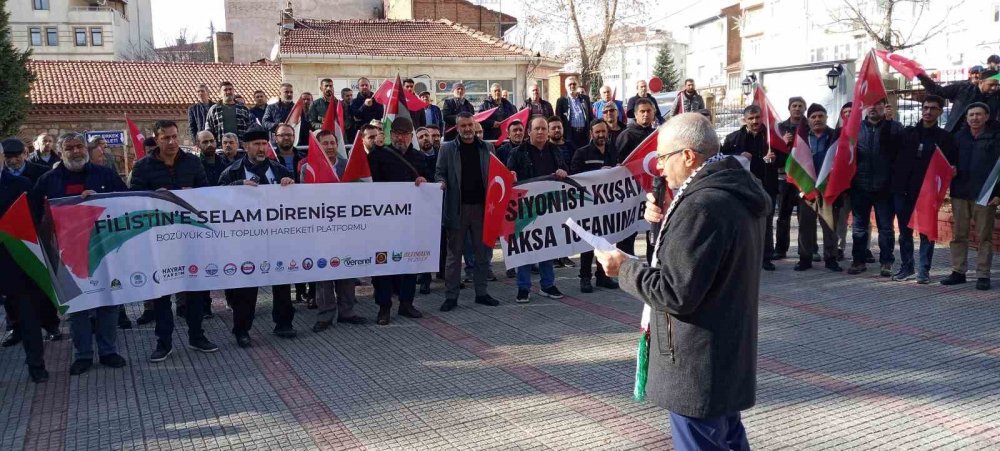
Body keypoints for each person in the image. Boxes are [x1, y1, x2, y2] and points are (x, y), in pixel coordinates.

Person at [594, 113, 764, 451]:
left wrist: (623, 268)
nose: (657, 167)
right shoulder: (734, 190)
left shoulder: (702, 205)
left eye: (662, 157)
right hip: (725, 352)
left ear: (688, 156)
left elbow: (674, 290)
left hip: (697, 359)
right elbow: (694, 263)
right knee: (730, 439)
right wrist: (662, 221)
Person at [32, 132, 129, 376]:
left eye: (78, 147)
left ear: (85, 149)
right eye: (70, 148)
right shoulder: (48, 180)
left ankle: (108, 351)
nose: (75, 151)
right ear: (61, 152)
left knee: (108, 302)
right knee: (78, 307)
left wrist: (101, 200)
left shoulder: (105, 175)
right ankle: (83, 355)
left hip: (103, 248)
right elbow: (34, 215)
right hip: (65, 254)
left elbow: (125, 202)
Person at [128, 120, 219, 361]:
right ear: (156, 139)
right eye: (166, 138)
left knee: (195, 290)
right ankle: (164, 342)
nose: (172, 142)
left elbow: (206, 194)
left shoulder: (192, 162)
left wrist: (194, 194)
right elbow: (134, 200)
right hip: (159, 240)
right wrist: (152, 197)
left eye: (175, 137)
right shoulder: (143, 167)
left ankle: (197, 335)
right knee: (161, 293)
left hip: (190, 238)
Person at [218, 126, 299, 346]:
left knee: (282, 280)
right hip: (245, 240)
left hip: (277, 237)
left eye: (264, 143)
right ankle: (242, 329)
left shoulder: (279, 170)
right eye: (256, 144)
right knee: (246, 286)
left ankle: (284, 323)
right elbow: (216, 199)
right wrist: (237, 186)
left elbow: (296, 202)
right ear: (245, 147)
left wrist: (291, 186)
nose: (261, 148)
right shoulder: (232, 172)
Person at [299, 130, 368, 331]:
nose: (330, 146)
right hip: (321, 228)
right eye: (325, 143)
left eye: (332, 142)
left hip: (346, 229)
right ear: (318, 146)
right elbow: (305, 197)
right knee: (324, 273)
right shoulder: (307, 168)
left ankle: (347, 312)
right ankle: (325, 314)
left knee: (347, 269)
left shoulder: (347, 166)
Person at [884, 95, 958, 283]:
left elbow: (950, 164)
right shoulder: (907, 133)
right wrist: (887, 122)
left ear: (940, 111)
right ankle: (907, 267)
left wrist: (952, 168)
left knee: (926, 231)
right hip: (902, 189)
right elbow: (889, 149)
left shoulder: (945, 138)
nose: (928, 112)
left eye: (933, 108)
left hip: (927, 191)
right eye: (925, 108)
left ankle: (924, 270)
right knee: (904, 231)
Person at [366, 117, 429, 324]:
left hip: (411, 222)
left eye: (405, 134)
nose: (400, 138)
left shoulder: (421, 158)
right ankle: (384, 307)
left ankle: (406, 303)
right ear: (390, 134)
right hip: (384, 222)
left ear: (411, 136)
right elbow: (368, 185)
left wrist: (425, 182)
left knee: (409, 262)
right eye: (397, 134)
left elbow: (432, 186)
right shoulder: (378, 156)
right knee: (383, 264)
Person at [436, 112, 500, 312]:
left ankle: (481, 293)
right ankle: (451, 296)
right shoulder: (447, 149)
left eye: (469, 125)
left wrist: (508, 175)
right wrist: (441, 182)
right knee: (454, 257)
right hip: (456, 209)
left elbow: (497, 174)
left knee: (483, 254)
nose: (467, 129)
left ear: (475, 125)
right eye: (462, 125)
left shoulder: (487, 148)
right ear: (457, 128)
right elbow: (439, 172)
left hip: (483, 209)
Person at [0, 141, 53, 383]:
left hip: (16, 261)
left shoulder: (21, 185)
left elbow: (35, 221)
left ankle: (36, 365)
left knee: (28, 315)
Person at [505, 116, 568, 303]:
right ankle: (523, 287)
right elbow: (508, 174)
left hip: (549, 206)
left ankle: (547, 284)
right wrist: (511, 175)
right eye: (537, 129)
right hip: (525, 207)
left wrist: (563, 172)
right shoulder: (517, 152)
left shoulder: (555, 151)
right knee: (525, 246)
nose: (540, 132)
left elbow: (565, 170)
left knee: (547, 245)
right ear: (529, 132)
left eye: (543, 128)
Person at [941, 103, 1000, 290]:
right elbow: (947, 161)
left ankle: (983, 274)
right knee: (959, 234)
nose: (975, 118)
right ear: (966, 118)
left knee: (984, 236)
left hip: (985, 194)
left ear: (987, 116)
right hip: (960, 193)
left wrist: (998, 194)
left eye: (978, 114)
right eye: (971, 115)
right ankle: (958, 271)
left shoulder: (996, 138)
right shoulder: (958, 138)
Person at [845, 99, 901, 277]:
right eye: (870, 104)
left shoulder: (895, 128)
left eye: (878, 104)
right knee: (859, 227)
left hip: (885, 187)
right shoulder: (855, 128)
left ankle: (886, 261)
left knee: (885, 227)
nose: (873, 107)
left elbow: (901, 155)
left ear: (885, 107)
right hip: (860, 185)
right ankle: (858, 260)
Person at [722, 105, 779, 271]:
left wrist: (774, 158)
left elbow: (784, 159)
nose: (755, 121)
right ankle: (742, 257)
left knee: (766, 222)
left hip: (766, 185)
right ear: (744, 120)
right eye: (751, 118)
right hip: (743, 187)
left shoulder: (771, 138)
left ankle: (766, 257)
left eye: (757, 118)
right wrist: (739, 157)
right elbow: (723, 160)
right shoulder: (733, 138)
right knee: (743, 223)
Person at [571, 120, 620, 292]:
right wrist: (599, 173)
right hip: (588, 206)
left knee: (607, 242)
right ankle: (585, 277)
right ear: (591, 133)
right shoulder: (582, 153)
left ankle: (603, 276)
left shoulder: (613, 151)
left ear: (608, 133)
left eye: (603, 132)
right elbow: (575, 177)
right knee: (588, 244)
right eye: (597, 132)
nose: (601, 135)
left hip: (608, 205)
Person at [794, 104, 842, 272]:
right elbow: (794, 161)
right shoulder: (802, 137)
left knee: (830, 227)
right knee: (805, 226)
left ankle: (831, 259)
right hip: (807, 188)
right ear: (808, 120)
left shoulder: (835, 136)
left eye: (820, 116)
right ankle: (804, 259)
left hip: (827, 188)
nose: (817, 119)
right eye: (813, 117)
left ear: (826, 118)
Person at [615, 98, 658, 256]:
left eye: (649, 111)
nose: (646, 114)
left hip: (652, 191)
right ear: (635, 114)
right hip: (631, 193)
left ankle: (653, 269)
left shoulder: (657, 135)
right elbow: (618, 164)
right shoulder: (626, 135)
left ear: (654, 113)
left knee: (653, 232)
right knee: (628, 233)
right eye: (642, 111)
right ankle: (626, 271)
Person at [918, 68, 1000, 133]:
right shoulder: (962, 88)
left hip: (984, 139)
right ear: (981, 82)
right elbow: (937, 91)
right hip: (955, 134)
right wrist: (921, 76)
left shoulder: (996, 96)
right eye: (991, 85)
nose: (994, 88)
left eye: (997, 85)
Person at [775, 97, 807, 260]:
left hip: (804, 177)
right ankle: (780, 249)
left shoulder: (808, 126)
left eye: (800, 106)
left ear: (804, 109)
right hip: (785, 176)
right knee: (783, 215)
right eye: (794, 106)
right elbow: (773, 150)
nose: (797, 108)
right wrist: (783, 141)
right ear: (789, 108)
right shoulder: (780, 128)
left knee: (806, 215)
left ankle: (808, 249)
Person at [555, 76, 593, 149]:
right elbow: (558, 119)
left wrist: (591, 131)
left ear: (577, 85)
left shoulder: (585, 99)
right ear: (566, 87)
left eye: (574, 84)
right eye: (570, 84)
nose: (572, 86)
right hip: (570, 134)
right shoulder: (561, 101)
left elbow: (590, 116)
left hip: (584, 134)